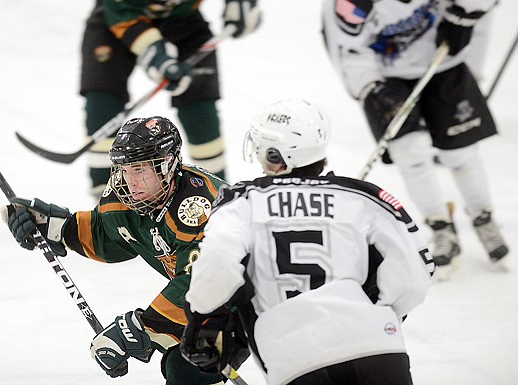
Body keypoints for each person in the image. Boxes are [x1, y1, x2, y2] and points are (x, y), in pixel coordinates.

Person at [179, 99, 436, 385]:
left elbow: (217, 266)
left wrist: (204, 319)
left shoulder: (241, 202)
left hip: (295, 357)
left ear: (276, 156)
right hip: (378, 348)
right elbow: (416, 273)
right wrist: (371, 314)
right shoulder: (364, 197)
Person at [3, 116, 247, 384]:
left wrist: (139, 328)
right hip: (223, 306)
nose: (131, 181)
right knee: (186, 367)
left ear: (167, 165)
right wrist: (57, 228)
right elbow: (108, 235)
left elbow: (203, 282)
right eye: (125, 170)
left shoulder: (199, 206)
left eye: (140, 169)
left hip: (263, 298)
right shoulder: (128, 199)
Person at [321, 0, 509, 273]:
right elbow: (348, 51)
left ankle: (483, 217)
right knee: (411, 154)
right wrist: (371, 88)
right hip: (385, 76)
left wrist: (465, 14)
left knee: (461, 152)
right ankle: (441, 226)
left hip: (445, 62)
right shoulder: (350, 4)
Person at [81, 0, 261, 196]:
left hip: (183, 19)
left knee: (199, 104)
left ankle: (215, 190)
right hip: (118, 14)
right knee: (103, 96)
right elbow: (120, 9)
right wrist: (154, 55)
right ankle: (107, 194)